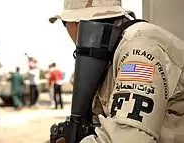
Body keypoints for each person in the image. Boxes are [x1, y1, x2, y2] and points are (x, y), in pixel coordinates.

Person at [49, 0, 184, 142]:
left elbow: (129, 138)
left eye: (65, 23)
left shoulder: (138, 48)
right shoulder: (112, 52)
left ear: (78, 25)